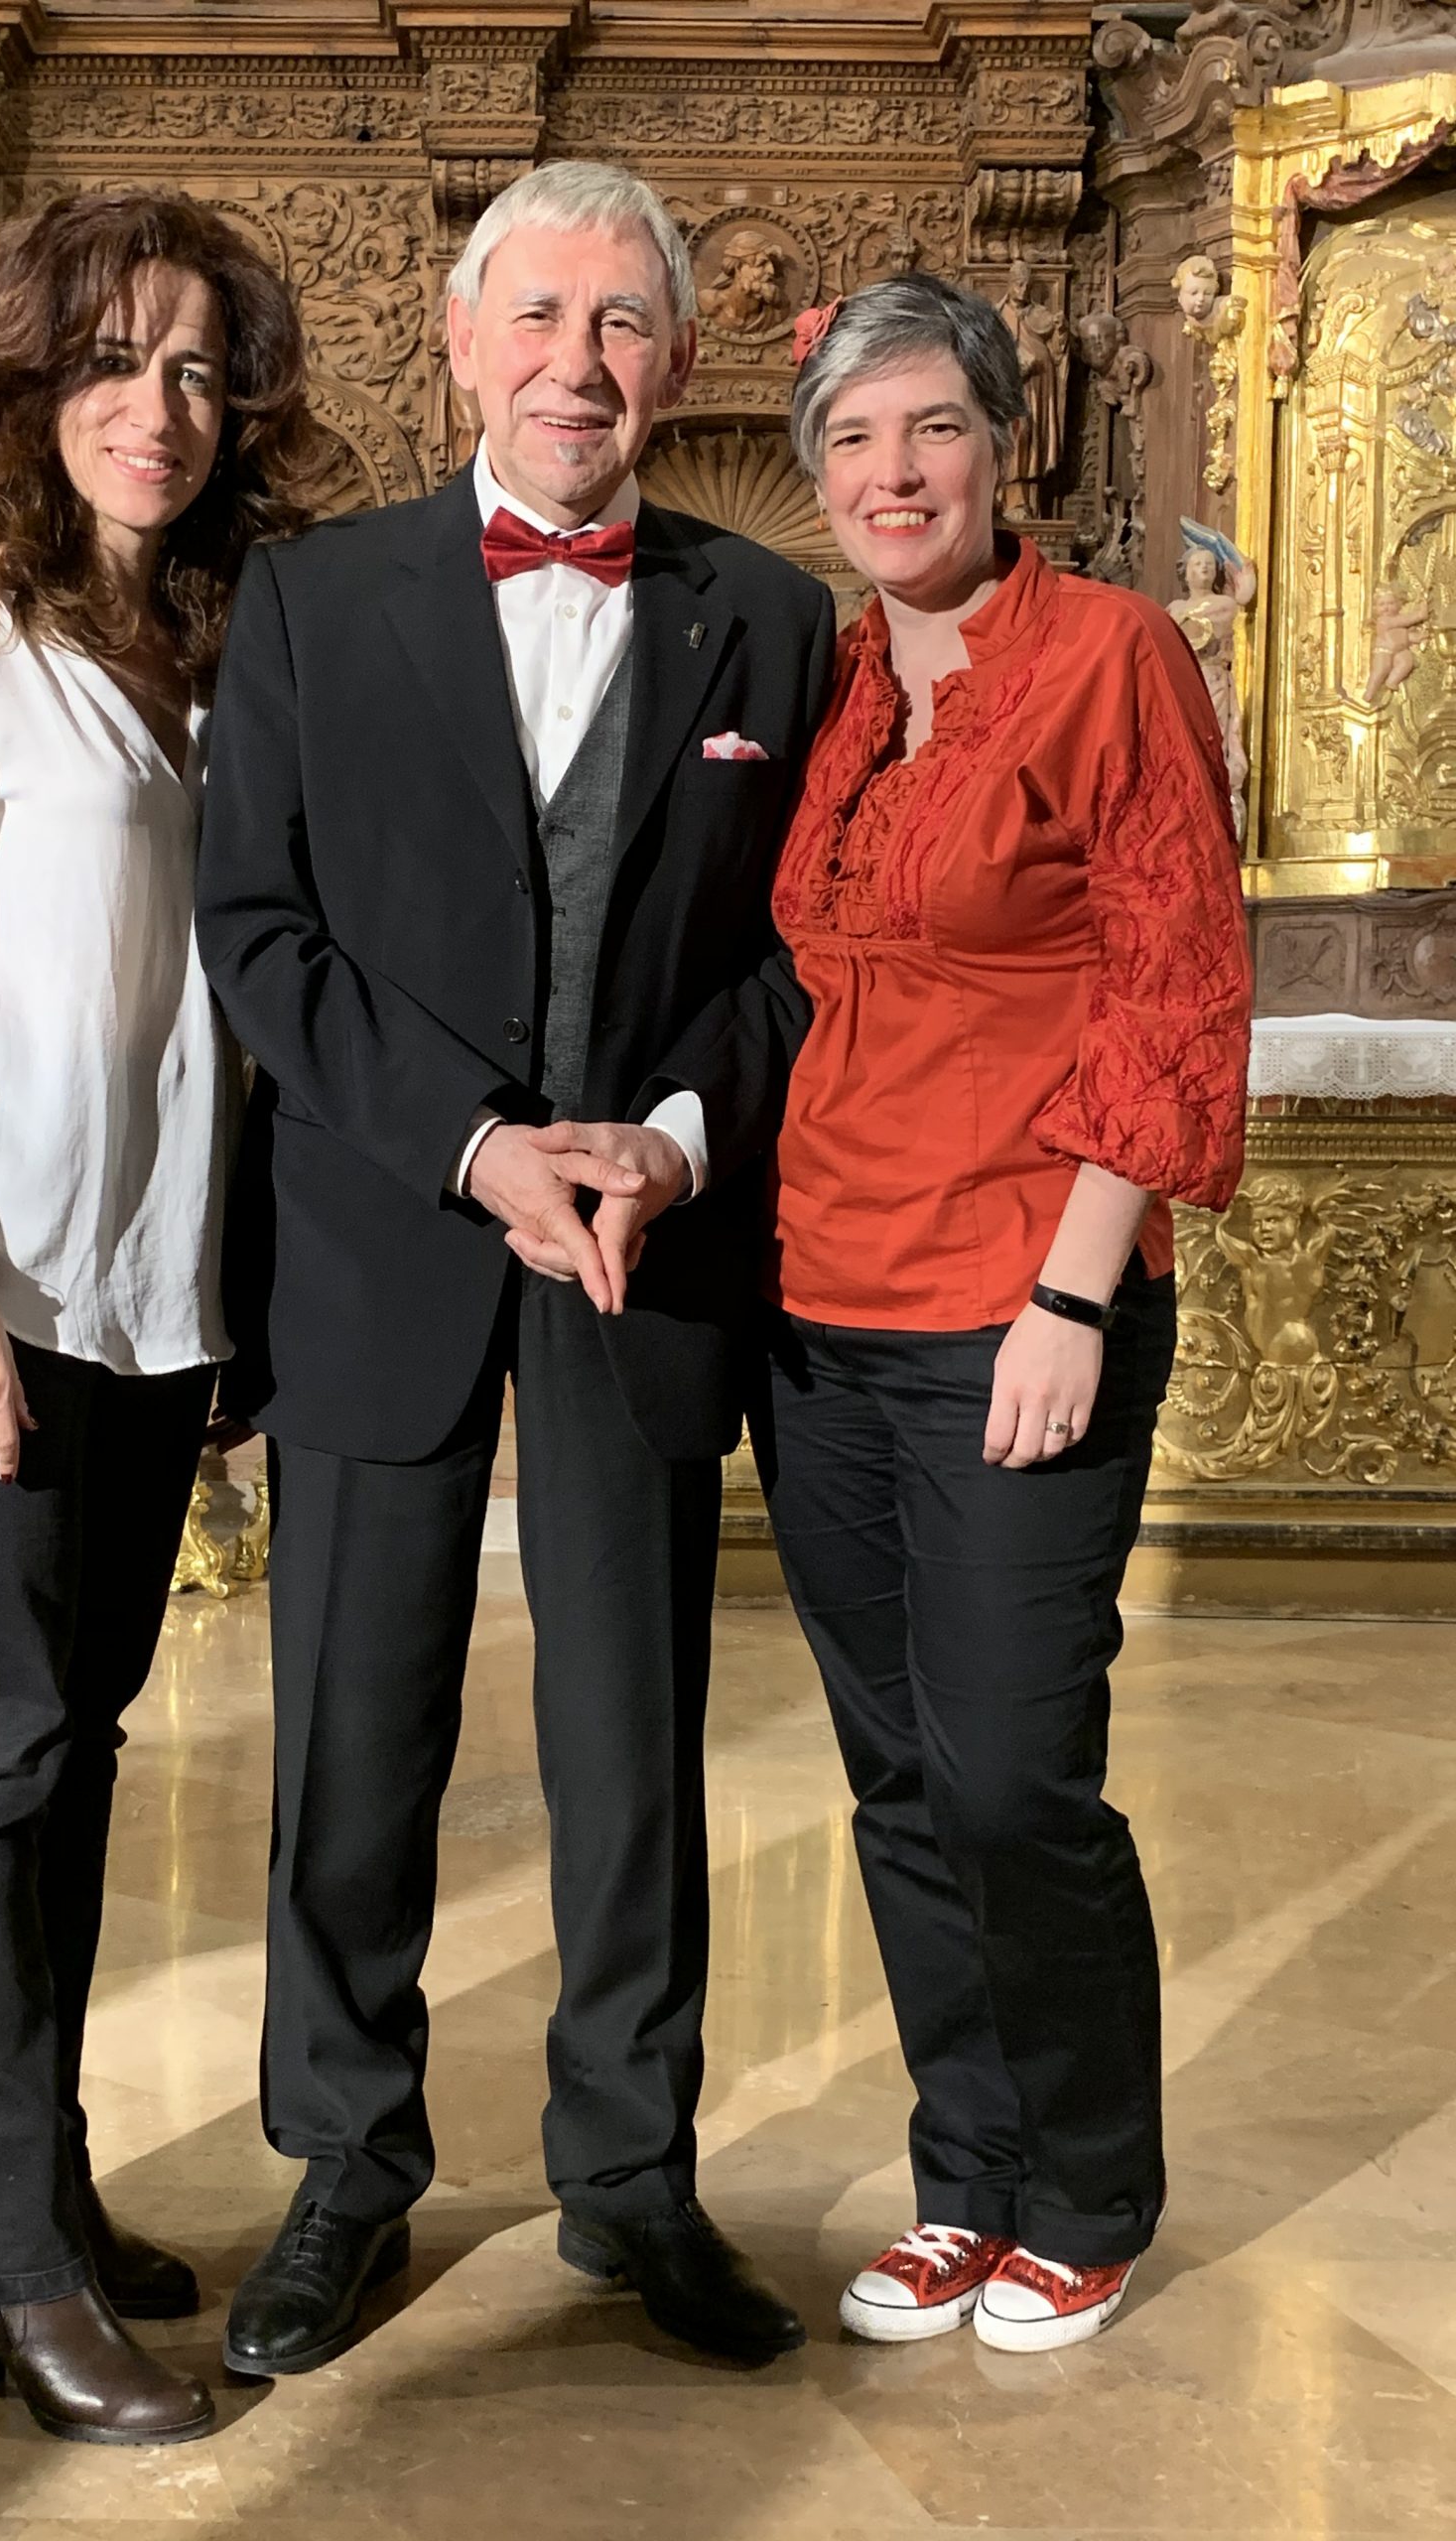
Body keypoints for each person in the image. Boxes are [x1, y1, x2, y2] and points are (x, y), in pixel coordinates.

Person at [195, 160, 834, 2374]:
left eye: (622, 322)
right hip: (384, 1240)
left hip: (643, 1255)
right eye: (538, 317)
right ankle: (345, 2164)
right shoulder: (311, 600)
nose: (579, 363)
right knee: (350, 1735)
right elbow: (258, 931)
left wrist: (666, 1142)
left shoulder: (774, 618)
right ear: (462, 342)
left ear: (680, 359)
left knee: (631, 1740)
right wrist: (477, 1148)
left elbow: (796, 953)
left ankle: (631, 2177)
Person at [0, 191, 314, 2445]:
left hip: (131, 1295)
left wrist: (208, 1303)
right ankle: (4, 2266)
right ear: (29, 383)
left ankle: (31, 2204)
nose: (158, 407)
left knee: (77, 1745)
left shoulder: (194, 649)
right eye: (114, 359)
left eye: (198, 369)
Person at [751, 274, 1252, 2355]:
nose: (893, 473)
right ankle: (965, 2176)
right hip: (821, 1307)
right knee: (895, 1776)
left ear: (1004, 443)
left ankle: (1089, 2188)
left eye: (932, 428)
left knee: (1013, 1775)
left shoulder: (1112, 655)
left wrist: (1074, 1284)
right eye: (854, 439)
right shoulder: (839, 682)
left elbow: (1174, 974)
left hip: (1016, 1301)